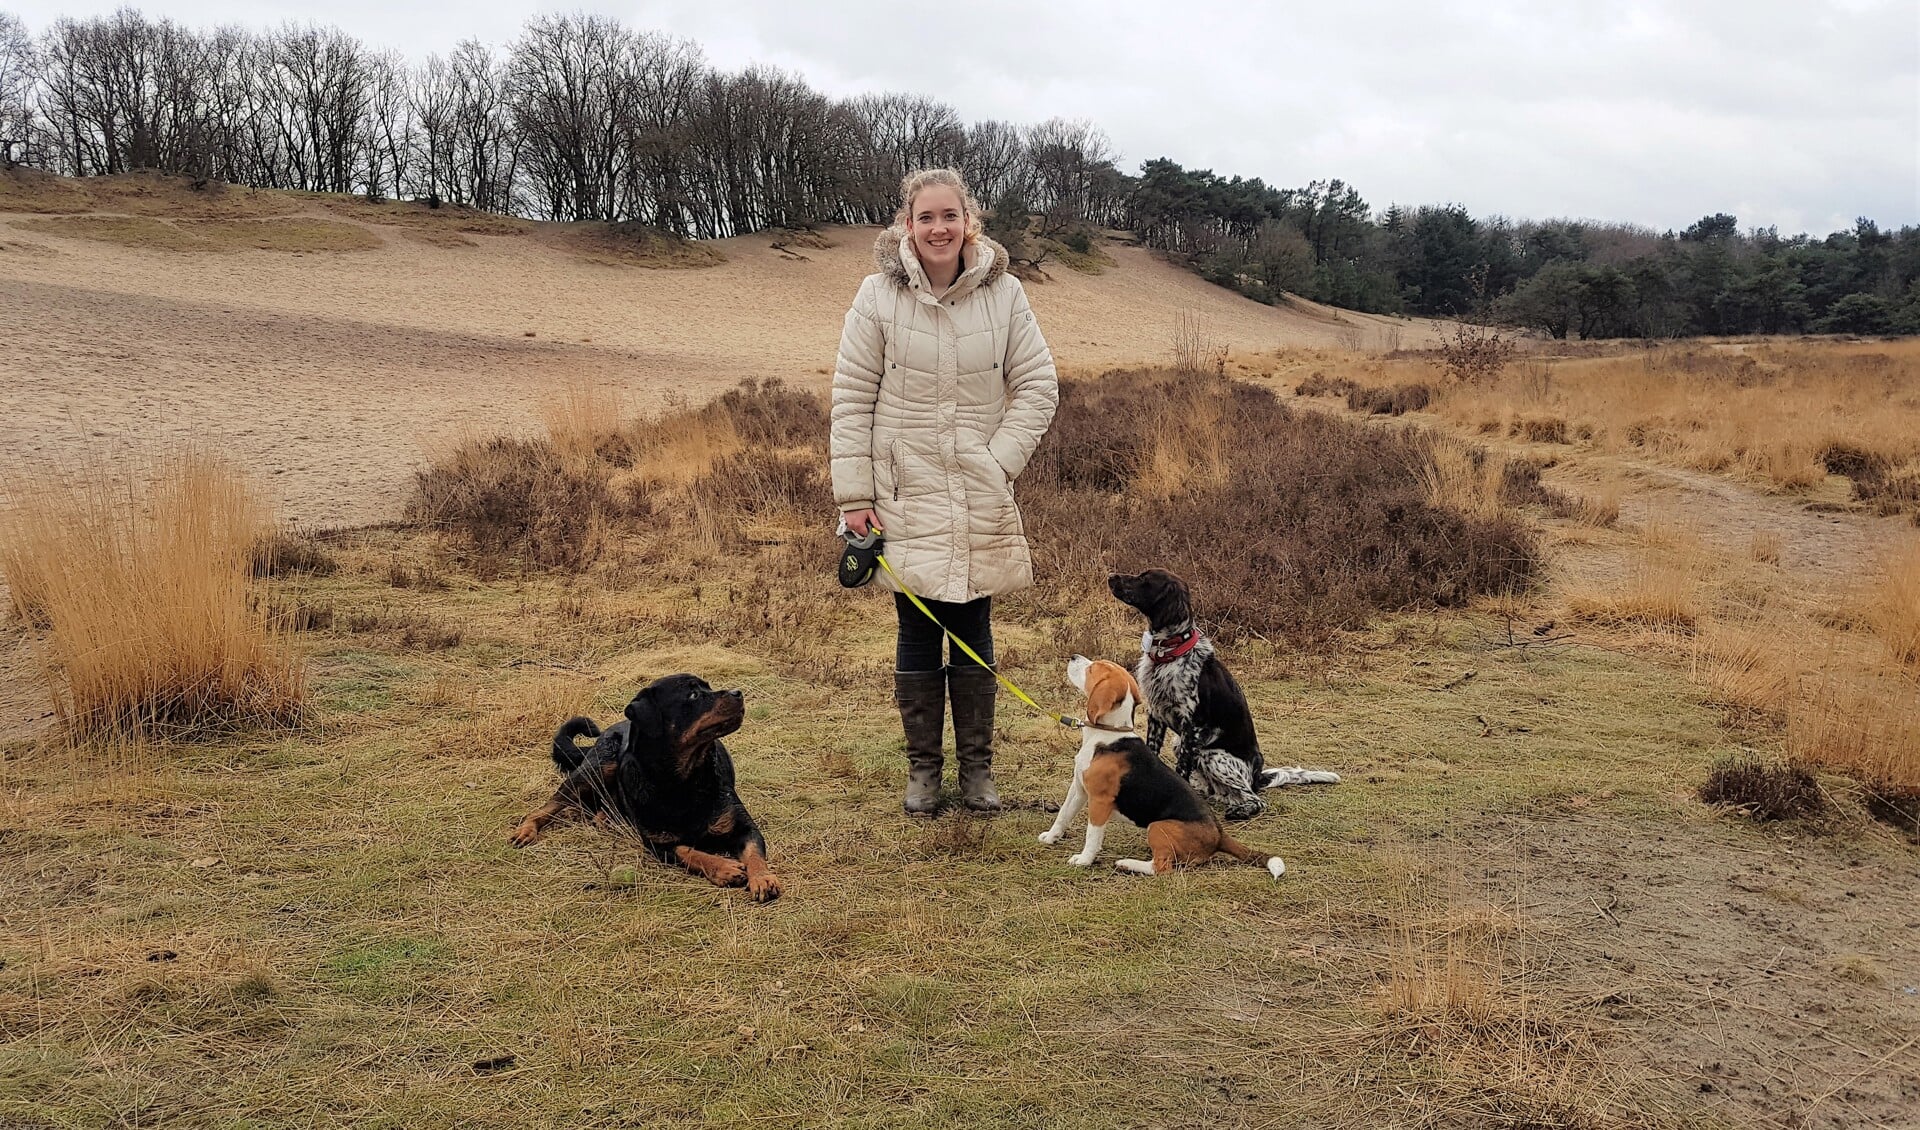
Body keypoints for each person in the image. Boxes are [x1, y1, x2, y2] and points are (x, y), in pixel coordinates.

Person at [831, 168, 1059, 815]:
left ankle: (979, 773)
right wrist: (854, 496)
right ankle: (923, 774)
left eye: (949, 216)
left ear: (969, 221)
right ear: (907, 225)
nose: (938, 228)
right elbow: (851, 398)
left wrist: (998, 462)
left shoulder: (1005, 294)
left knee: (973, 623)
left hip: (977, 489)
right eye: (925, 217)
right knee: (916, 624)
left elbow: (1039, 385)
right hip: (902, 493)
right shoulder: (876, 297)